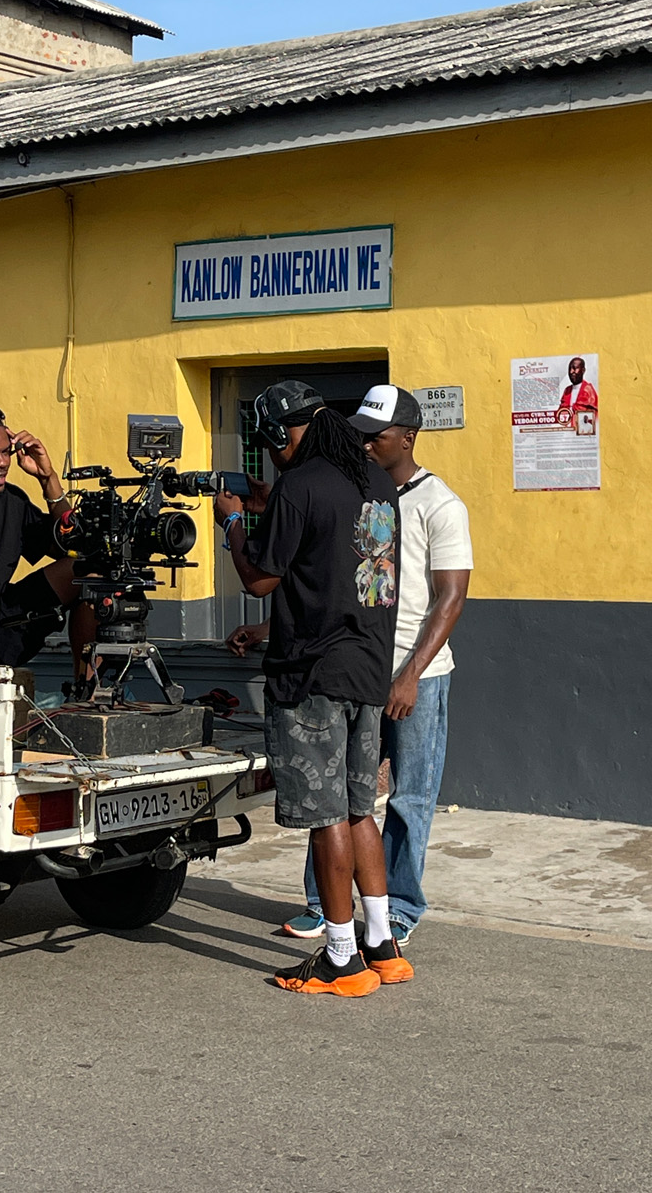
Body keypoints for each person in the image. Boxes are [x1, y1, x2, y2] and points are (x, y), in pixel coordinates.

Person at [215, 380, 411, 997]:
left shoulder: (300, 485)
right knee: (359, 809)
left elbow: (259, 580)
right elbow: (338, 562)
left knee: (326, 818)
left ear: (281, 434)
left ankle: (341, 959)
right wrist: (275, 506)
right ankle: (382, 945)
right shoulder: (375, 480)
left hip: (311, 677)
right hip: (368, 669)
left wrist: (235, 524)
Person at [262, 385, 472, 947]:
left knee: (405, 798)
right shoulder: (358, 487)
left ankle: (397, 909)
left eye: (377, 436)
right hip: (359, 668)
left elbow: (451, 598)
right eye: (360, 434)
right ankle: (326, 905)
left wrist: (409, 675)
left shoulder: (440, 504)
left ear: (408, 438)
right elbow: (330, 581)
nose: (366, 444)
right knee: (338, 799)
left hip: (412, 675)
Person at [0, 405, 96, 673]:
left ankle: (87, 689)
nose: (2, 463)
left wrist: (48, 479)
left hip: (3, 621)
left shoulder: (12, 501)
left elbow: (74, 547)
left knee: (88, 571)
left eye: (5, 452)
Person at [559, 356, 598, 423]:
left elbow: (595, 415)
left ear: (583, 370)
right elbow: (560, 412)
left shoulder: (588, 390)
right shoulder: (567, 390)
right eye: (570, 369)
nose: (571, 372)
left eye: (574, 368)